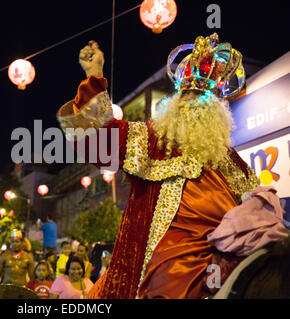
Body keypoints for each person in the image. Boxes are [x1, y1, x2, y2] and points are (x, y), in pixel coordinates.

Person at [56, 34, 259, 299]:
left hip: (220, 268)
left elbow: (257, 211)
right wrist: (94, 76)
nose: (192, 105)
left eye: (202, 101)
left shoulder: (232, 162)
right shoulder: (153, 141)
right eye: (186, 98)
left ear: (217, 112)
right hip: (162, 272)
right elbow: (96, 141)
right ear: (174, 104)